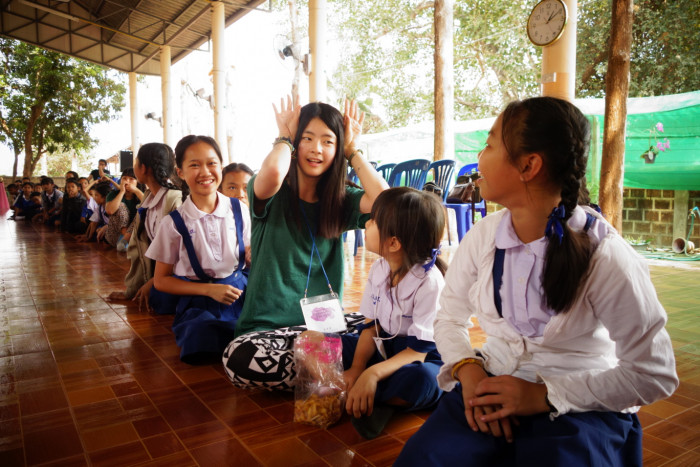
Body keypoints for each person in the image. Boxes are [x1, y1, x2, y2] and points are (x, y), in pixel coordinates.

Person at [395, 97, 678, 466]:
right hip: (490, 384)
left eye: (491, 143)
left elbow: (653, 374)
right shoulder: (483, 237)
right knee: (425, 458)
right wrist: (470, 372)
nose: (480, 156)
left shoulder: (605, 257)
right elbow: (449, 319)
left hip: (581, 407)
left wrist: (541, 396)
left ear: (529, 165)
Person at [222, 97, 389, 390]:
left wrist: (353, 151)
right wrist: (284, 137)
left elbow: (387, 202)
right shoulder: (269, 193)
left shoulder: (341, 201)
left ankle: (327, 376)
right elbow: (274, 172)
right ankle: (343, 376)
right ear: (295, 145)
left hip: (324, 329)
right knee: (239, 359)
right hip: (268, 333)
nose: (316, 149)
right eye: (307, 139)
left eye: (328, 141)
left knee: (382, 330)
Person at [338, 187, 446, 439]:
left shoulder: (429, 282)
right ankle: (371, 394)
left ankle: (365, 394)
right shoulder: (379, 268)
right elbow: (371, 326)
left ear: (394, 242)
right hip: (385, 346)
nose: (367, 223)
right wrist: (357, 367)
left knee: (424, 380)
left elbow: (419, 352)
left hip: (419, 355)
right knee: (329, 344)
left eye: (374, 220)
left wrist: (372, 373)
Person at [145, 135, 251, 364]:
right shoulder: (174, 223)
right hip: (199, 301)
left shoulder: (239, 210)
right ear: (180, 172)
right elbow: (161, 281)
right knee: (199, 336)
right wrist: (209, 291)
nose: (205, 172)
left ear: (221, 167)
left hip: (239, 293)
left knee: (258, 332)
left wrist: (253, 255)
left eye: (212, 163)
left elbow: (248, 252)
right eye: (194, 165)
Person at [108, 142, 182, 311]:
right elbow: (139, 250)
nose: (133, 168)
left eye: (135, 163)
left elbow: (181, 252)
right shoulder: (147, 200)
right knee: (145, 302)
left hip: (178, 277)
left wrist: (155, 282)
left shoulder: (175, 200)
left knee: (159, 304)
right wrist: (132, 289)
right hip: (160, 276)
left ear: (144, 168)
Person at [104, 168, 143, 250]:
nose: (127, 181)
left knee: (141, 209)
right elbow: (110, 210)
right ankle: (125, 241)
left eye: (131, 179)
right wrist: (122, 192)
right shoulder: (113, 194)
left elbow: (150, 205)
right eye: (124, 178)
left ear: (137, 182)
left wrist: (136, 191)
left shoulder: (141, 194)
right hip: (115, 235)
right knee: (121, 206)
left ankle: (126, 240)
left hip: (134, 235)